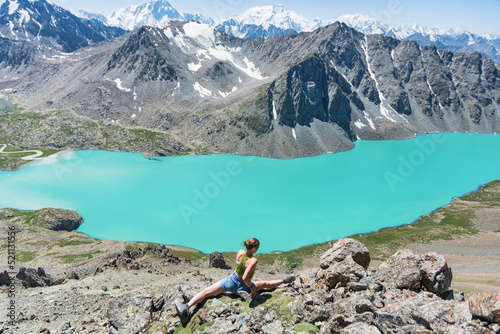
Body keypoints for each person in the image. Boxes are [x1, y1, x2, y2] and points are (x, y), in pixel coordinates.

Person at [175, 237, 295, 317]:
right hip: (243, 284)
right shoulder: (253, 260)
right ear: (255, 248)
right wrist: (252, 286)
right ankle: (284, 280)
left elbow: (239, 268)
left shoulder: (240, 252)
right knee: (265, 284)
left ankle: (186, 306)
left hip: (231, 281)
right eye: (257, 247)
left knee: (206, 291)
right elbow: (245, 277)